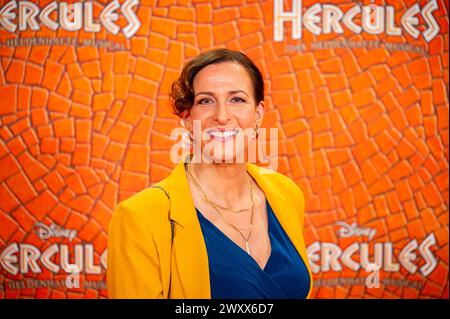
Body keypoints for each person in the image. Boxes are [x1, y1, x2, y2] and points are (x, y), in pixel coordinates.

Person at [107, 48, 313, 299]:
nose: (222, 116)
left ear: (258, 114)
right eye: (206, 101)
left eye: (237, 99)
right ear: (187, 118)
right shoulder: (139, 217)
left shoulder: (287, 194)